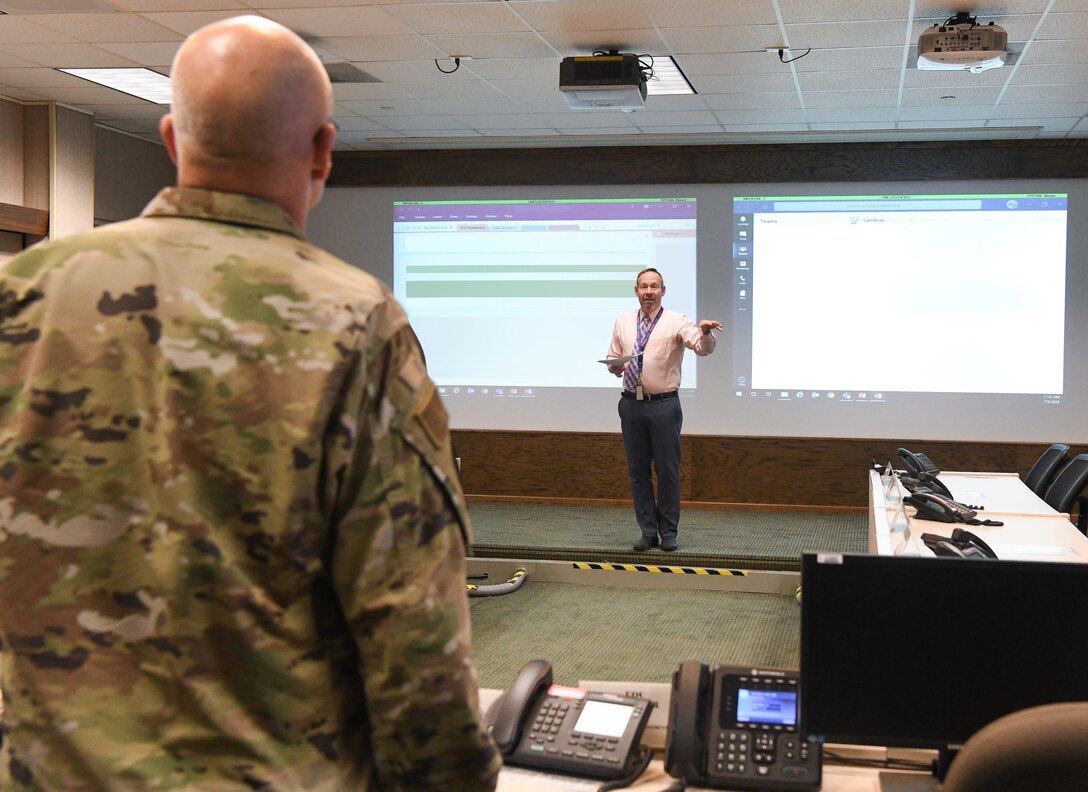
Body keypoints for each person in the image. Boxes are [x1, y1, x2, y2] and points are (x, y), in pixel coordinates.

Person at [0, 16, 500, 792]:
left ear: (170, 139)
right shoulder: (356, 324)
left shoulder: (23, 295)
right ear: (323, 151)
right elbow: (413, 634)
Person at [607, 268, 722, 553]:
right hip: (631, 404)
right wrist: (614, 365)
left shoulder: (676, 321)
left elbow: (702, 348)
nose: (649, 291)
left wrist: (705, 332)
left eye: (654, 286)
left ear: (663, 291)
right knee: (638, 472)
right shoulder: (623, 321)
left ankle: (668, 532)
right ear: (636, 291)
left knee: (668, 471)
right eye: (644, 286)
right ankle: (648, 532)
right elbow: (613, 358)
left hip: (663, 406)